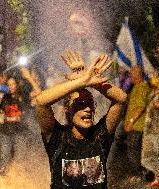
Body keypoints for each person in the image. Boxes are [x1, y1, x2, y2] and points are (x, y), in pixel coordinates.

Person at [35, 49, 127, 188]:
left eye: (90, 104)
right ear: (68, 110)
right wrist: (81, 82)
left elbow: (121, 99)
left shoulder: (100, 135)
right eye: (80, 104)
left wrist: (93, 82)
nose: (88, 108)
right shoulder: (57, 138)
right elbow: (41, 102)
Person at [123, 65, 151, 180]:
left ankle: (141, 173)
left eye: (131, 73)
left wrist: (130, 122)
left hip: (137, 126)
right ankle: (142, 173)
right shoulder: (136, 87)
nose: (129, 76)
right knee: (135, 150)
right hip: (135, 126)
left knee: (133, 150)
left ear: (138, 75)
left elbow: (140, 107)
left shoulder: (142, 87)